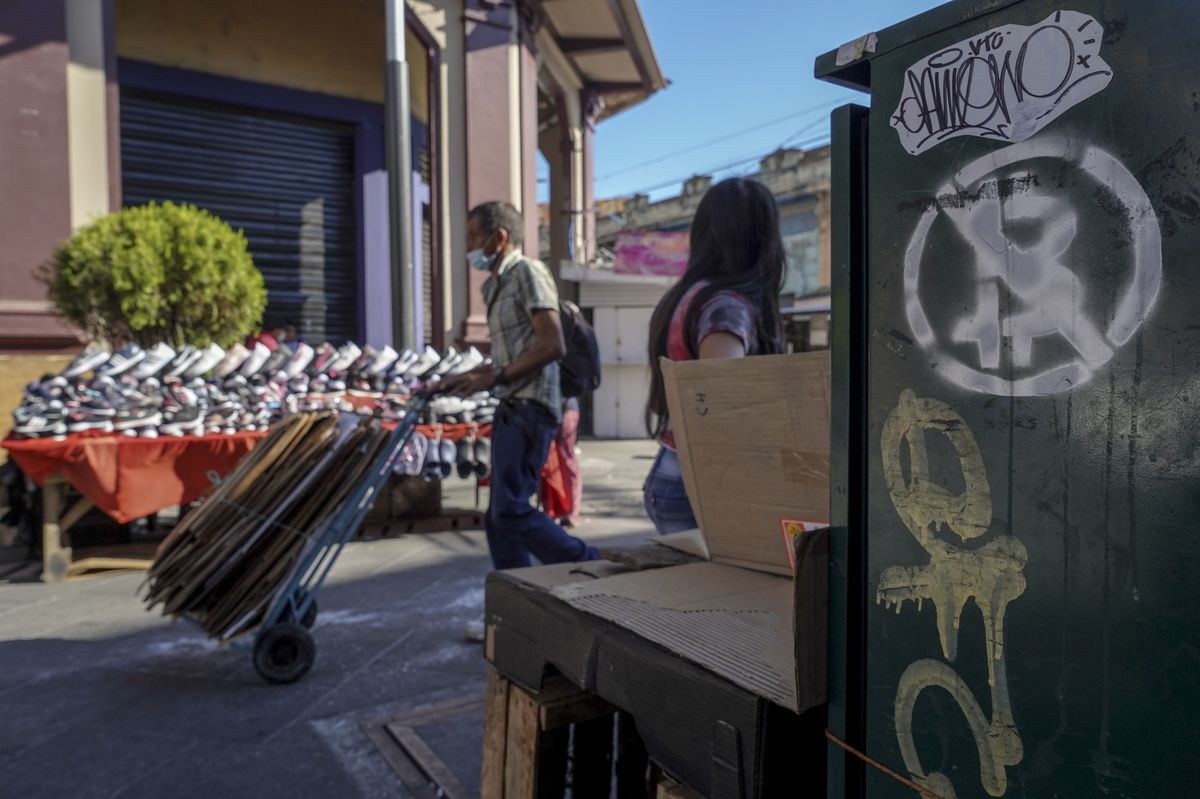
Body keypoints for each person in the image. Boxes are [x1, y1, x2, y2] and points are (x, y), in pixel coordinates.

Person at [445, 200, 599, 583]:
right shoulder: (497, 285)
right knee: (498, 517)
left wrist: (494, 378)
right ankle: (512, 600)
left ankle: (591, 563)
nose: (470, 246)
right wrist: (463, 377)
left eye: (474, 237)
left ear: (499, 237)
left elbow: (552, 344)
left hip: (532, 407)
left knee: (510, 509)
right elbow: (509, 356)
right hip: (512, 405)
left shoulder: (527, 272)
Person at [642, 178, 785, 534]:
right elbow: (723, 408)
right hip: (706, 486)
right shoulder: (727, 308)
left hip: (678, 472)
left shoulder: (690, 295)